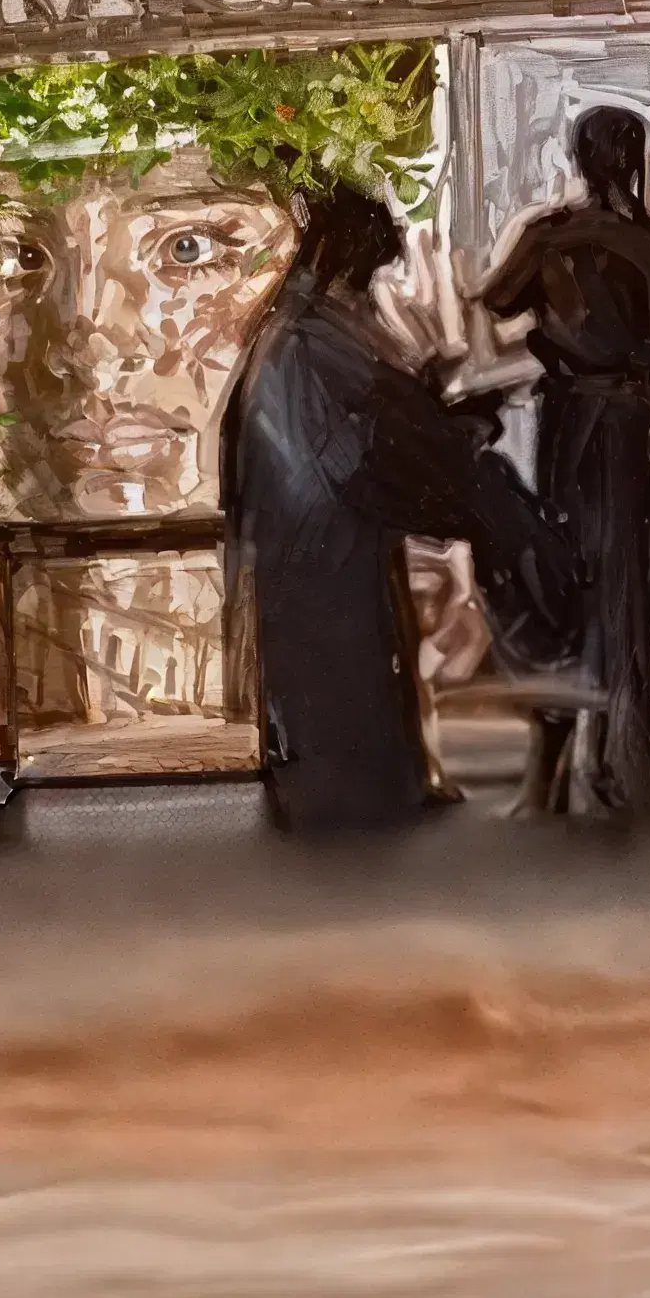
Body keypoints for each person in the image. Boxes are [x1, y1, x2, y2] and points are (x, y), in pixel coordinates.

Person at [226, 184, 477, 835]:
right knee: (344, 659)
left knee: (358, 653)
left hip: (323, 526)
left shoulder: (302, 324)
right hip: (323, 531)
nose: (376, 282)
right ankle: (357, 790)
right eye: (371, 266)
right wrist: (432, 404)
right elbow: (369, 415)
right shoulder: (314, 335)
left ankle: (374, 782)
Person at [476, 107, 650, 825]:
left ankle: (574, 756)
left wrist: (554, 337)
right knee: (634, 587)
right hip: (632, 429)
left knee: (577, 576)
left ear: (577, 158)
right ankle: (622, 756)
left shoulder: (547, 236)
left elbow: (495, 300)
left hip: (569, 429)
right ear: (636, 159)